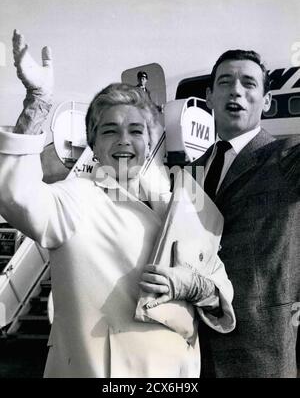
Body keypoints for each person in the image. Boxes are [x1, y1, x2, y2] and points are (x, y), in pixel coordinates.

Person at [0, 30, 235, 378]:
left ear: (151, 139)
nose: (124, 141)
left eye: (136, 131)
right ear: (93, 144)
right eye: (109, 130)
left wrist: (197, 287)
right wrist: (38, 101)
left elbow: (220, 291)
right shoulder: (76, 198)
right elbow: (15, 195)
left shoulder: (189, 204)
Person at [192, 49, 300, 378]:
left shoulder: (287, 156)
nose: (236, 90)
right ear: (210, 96)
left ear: (266, 101)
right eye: (225, 82)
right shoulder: (192, 170)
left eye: (249, 83)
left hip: (261, 351)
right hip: (194, 349)